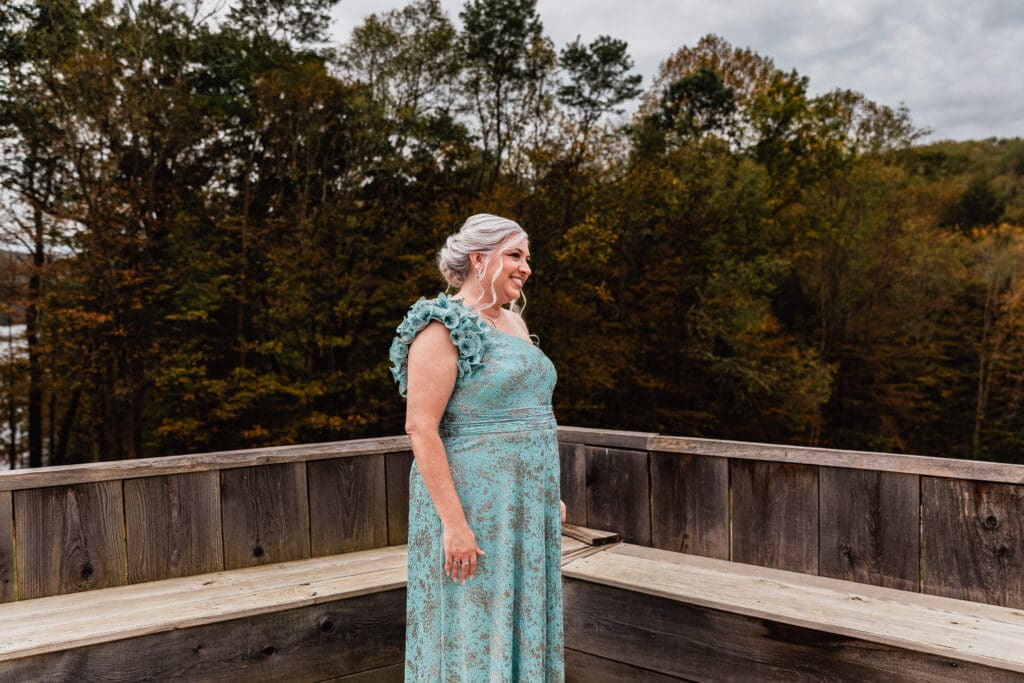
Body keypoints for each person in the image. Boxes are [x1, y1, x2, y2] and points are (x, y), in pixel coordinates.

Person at [388, 213, 565, 681]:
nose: (526, 266)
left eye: (527, 257)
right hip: (470, 506)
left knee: (523, 614)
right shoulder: (440, 326)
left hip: (525, 506)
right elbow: (421, 428)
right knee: (473, 620)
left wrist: (547, 492)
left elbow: (528, 412)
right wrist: (454, 525)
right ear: (479, 258)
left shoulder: (514, 324)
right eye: (515, 254)